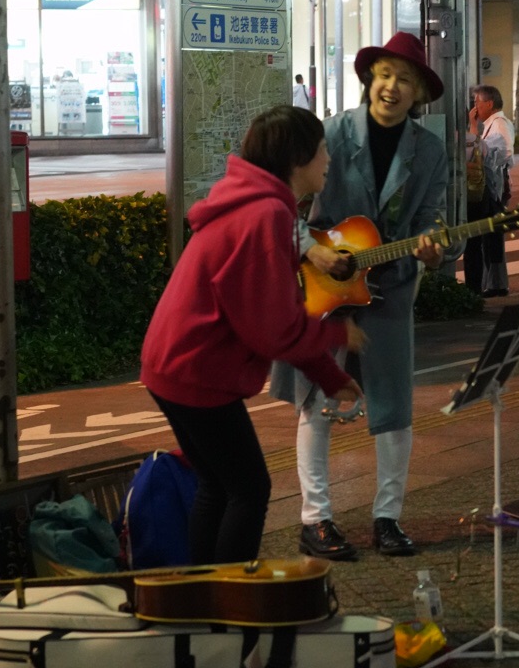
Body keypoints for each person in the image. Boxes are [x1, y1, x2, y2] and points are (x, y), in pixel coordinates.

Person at [141, 106, 363, 564]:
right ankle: (231, 603)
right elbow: (272, 328)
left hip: (174, 363)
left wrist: (329, 375)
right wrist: (336, 339)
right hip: (197, 369)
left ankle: (204, 598)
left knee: (218, 484)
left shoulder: (254, 202)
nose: (328, 160)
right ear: (298, 157)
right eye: (322, 150)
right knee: (249, 488)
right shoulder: (266, 215)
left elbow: (273, 317)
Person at [272, 32, 450, 561]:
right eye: (385, 75)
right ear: (370, 78)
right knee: (317, 400)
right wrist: (316, 250)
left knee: (393, 406)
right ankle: (316, 519)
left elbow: (431, 221)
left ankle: (387, 518)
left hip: (390, 291)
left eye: (405, 80)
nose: (392, 87)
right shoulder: (328, 133)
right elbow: (282, 210)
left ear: (419, 94)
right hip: (323, 288)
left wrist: (433, 250)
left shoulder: (430, 150)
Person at [463, 85, 512, 298]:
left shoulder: (499, 124)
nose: (474, 107)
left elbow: (502, 153)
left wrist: (474, 130)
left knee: (490, 236)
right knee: (490, 237)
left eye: (477, 103)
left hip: (493, 187)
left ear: (489, 104)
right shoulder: (492, 123)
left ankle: (495, 284)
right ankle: (493, 283)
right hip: (491, 185)